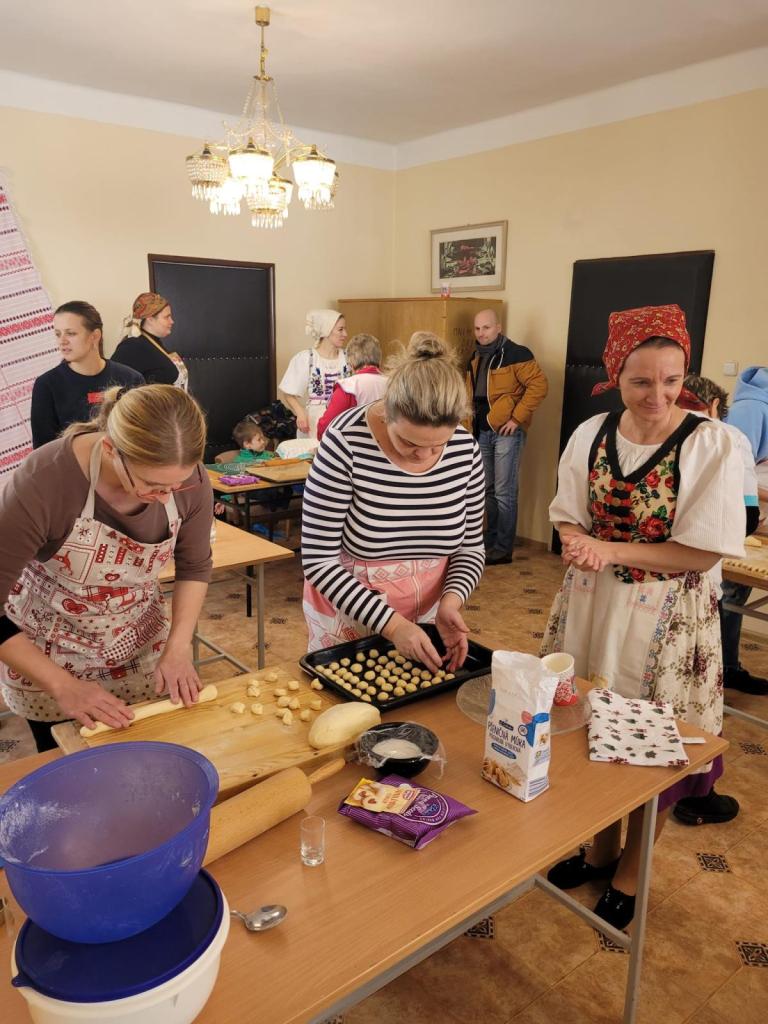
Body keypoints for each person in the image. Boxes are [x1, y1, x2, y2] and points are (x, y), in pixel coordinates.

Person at [542, 304, 745, 930]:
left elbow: (703, 551)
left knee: (651, 745)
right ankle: (601, 848)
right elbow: (567, 513)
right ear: (615, 375)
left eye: (671, 380)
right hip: (593, 605)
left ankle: (632, 870)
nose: (658, 395)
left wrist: (608, 550)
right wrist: (577, 540)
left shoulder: (711, 443)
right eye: (640, 381)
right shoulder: (592, 433)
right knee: (590, 729)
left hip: (669, 621)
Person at [0, 384, 213, 752]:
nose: (166, 497)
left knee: (144, 763)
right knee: (72, 770)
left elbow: (194, 566)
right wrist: (62, 685)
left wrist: (178, 648)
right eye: (152, 485)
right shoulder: (45, 482)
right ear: (112, 450)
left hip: (139, 644)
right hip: (48, 656)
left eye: (177, 485)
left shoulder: (186, 479)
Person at [301, 332, 485, 672]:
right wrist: (393, 625)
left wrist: (451, 601)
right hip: (351, 611)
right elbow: (318, 561)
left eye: (438, 446)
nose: (424, 455)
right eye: (409, 443)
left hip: (428, 613)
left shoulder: (465, 449)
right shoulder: (345, 442)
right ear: (387, 412)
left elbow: (470, 548)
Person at [672, 374, 759, 826]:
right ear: (713, 406)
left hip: (628, 587)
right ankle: (695, 792)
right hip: (693, 587)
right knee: (693, 692)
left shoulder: (621, 432)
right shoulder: (726, 438)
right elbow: (747, 518)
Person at [466, 308, 548, 564]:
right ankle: (488, 544)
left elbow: (539, 386)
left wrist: (516, 419)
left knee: (504, 492)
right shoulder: (475, 357)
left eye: (486, 327)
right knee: (488, 490)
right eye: (477, 328)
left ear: (498, 327)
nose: (481, 333)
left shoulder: (517, 353)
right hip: (482, 430)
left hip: (506, 432)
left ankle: (502, 549)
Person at [30, 301, 144, 448]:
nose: (62, 341)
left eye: (71, 333)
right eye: (58, 334)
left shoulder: (131, 379)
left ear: (95, 336)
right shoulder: (46, 385)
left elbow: (142, 437)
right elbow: (43, 451)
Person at [720, 366, 768, 695]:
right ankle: (723, 670)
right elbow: (735, 471)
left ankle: (727, 668)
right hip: (747, 516)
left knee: (734, 596)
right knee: (730, 596)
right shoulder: (751, 408)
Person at [279, 309, 348, 440]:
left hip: (343, 420)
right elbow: (288, 393)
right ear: (326, 330)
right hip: (314, 422)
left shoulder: (348, 357)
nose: (345, 334)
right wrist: (300, 413)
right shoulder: (306, 358)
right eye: (340, 329)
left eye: (345, 329)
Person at [316, 333, 387, 439]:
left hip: (356, 446)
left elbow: (325, 427)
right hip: (387, 446)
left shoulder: (348, 386)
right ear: (379, 358)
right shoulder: (393, 384)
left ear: (351, 362)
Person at [113, 292, 188, 390]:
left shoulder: (155, 343)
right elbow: (114, 384)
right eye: (167, 317)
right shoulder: (133, 346)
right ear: (150, 319)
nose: (172, 321)